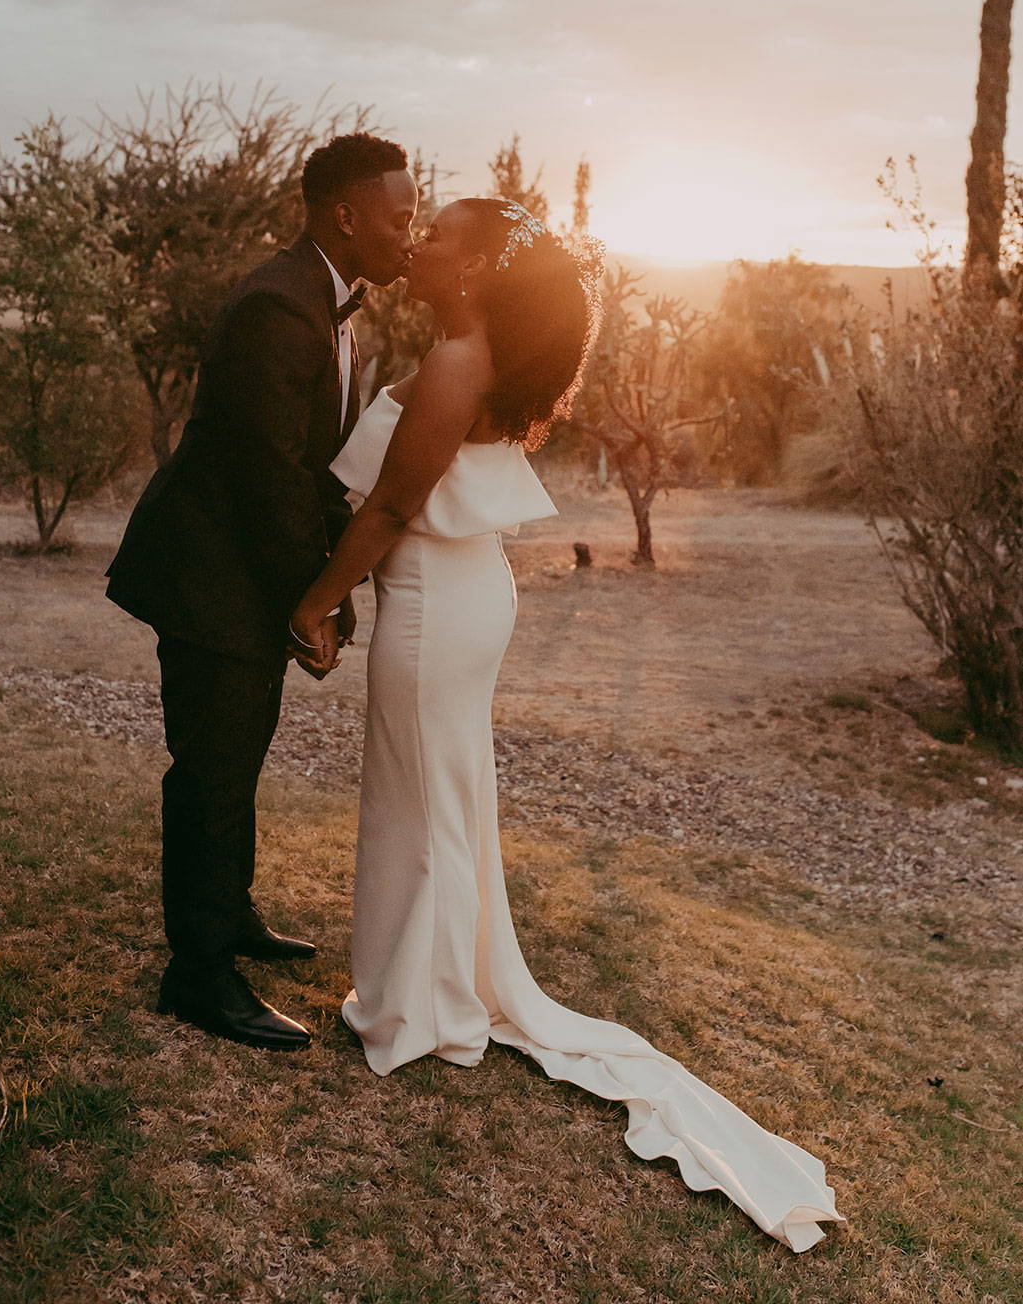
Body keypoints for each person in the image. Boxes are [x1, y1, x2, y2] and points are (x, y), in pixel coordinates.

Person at [288, 196, 844, 1250]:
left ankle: (430, 1011)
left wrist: (313, 600)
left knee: (424, 804)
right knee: (433, 798)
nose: (426, 238)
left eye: (443, 229)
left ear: (478, 264)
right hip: (449, 595)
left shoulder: (459, 358)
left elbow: (393, 508)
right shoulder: (463, 344)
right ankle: (435, 991)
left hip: (434, 603)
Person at [105, 132, 418, 1050]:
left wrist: (323, 586)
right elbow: (269, 478)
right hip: (209, 577)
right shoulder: (276, 309)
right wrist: (314, 598)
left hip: (243, 572)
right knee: (209, 773)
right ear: (345, 216)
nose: (410, 234)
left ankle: (229, 917)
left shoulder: (320, 301)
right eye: (399, 218)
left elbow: (308, 469)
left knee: (235, 760)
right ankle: (196, 972)